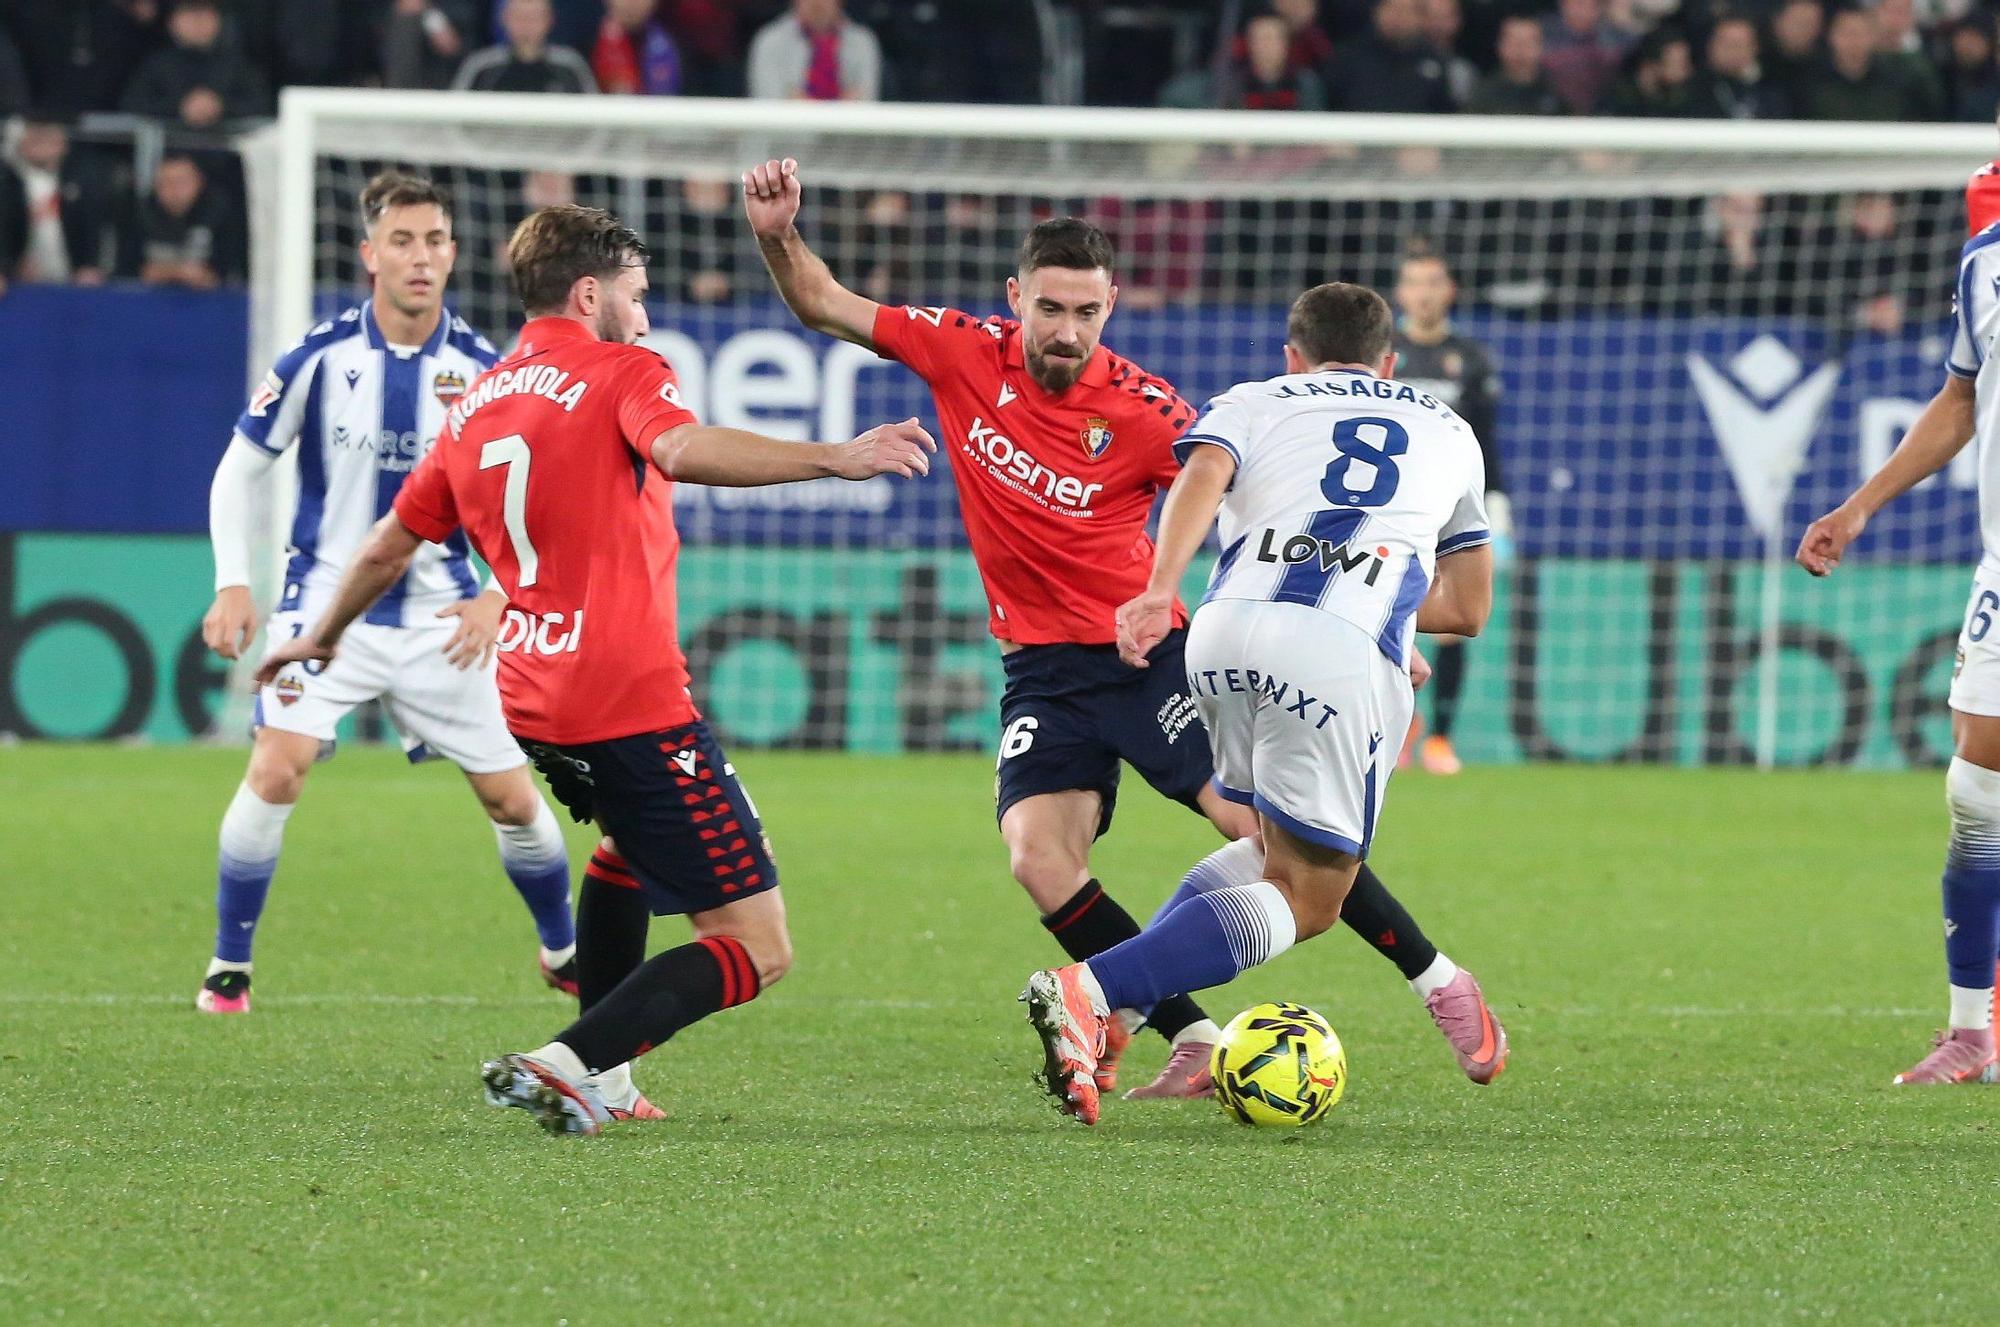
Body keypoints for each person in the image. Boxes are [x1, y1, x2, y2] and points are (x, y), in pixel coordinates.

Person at [744, 156, 1507, 1100]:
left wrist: (1360, 604)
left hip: (1153, 657)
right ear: (1016, 296)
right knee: (1038, 857)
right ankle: (1186, 1034)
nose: (1068, 332)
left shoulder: (1148, 413)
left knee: (1269, 839)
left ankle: (1435, 977)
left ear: (1112, 309)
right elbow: (821, 300)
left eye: (1088, 314)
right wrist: (778, 233)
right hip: (1040, 671)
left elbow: (1261, 509)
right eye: (1052, 309)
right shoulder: (956, 349)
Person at [256, 203, 934, 1134]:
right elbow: (680, 446)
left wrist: (323, 633)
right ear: (589, 293)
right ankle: (567, 1063)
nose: (646, 317)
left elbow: (388, 542)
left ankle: (605, 1082)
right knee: (756, 944)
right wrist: (834, 456)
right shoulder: (622, 370)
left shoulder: (477, 403)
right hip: (627, 696)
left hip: (533, 697)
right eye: (638, 296)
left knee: (625, 849)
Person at [1024, 282, 1498, 1125]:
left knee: (1273, 847)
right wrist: (1375, 594)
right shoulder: (1447, 427)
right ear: (1390, 364)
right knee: (1312, 896)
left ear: (1294, 355)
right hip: (1334, 652)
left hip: (1220, 630)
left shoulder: (1252, 399)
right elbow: (1466, 607)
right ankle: (1094, 986)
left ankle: (1129, 1013)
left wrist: (1157, 586)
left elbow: (1202, 472)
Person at [196, 173, 577, 1016]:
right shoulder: (318, 358)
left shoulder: (489, 371)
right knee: (278, 766)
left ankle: (563, 948)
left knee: (512, 798)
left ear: (452, 254)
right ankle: (229, 966)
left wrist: (498, 600)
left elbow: (541, 506)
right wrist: (232, 581)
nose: (420, 257)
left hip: (445, 617)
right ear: (370, 255)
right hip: (323, 612)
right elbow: (238, 472)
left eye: (434, 240)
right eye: (401, 241)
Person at [1796, 213, 2000, 1085]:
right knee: (1975, 791)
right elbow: (1961, 399)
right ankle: (1969, 1031)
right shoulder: (1985, 263)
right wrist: (1860, 506)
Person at [1393, 252, 1505, 776]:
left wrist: (1497, 504)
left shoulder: (1471, 358)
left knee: (1450, 619)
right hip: (1393, 506)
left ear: (1450, 289)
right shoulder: (1383, 352)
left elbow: (1486, 442)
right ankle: (1394, 728)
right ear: (1400, 291)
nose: (1423, 293)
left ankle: (1439, 737)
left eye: (1433, 282)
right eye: (1414, 283)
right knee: (1383, 608)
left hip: (1453, 506)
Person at [451, 0, 598, 94]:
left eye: (533, 18)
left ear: (549, 20)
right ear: (504, 19)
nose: (526, 26)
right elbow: (452, 116)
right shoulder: (481, 67)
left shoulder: (570, 66)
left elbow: (597, 117)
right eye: (519, 18)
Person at [746, 0, 880, 102]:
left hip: (846, 137)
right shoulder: (770, 40)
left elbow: (866, 102)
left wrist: (798, 101)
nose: (817, 3)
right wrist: (839, 106)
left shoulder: (863, 41)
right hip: (785, 138)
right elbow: (771, 106)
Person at [1466, 15, 1567, 116]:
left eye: (1528, 43)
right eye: (1514, 42)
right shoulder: (1481, 95)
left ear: (1542, 47)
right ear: (1500, 46)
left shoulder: (1559, 92)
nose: (1520, 50)